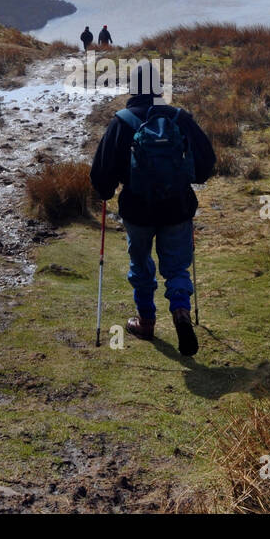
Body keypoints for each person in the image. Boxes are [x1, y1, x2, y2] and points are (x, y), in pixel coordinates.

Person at [90, 59, 215, 356]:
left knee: (141, 265)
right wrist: (188, 177)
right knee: (176, 266)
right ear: (158, 87)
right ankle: (181, 312)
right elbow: (206, 164)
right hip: (177, 208)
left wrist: (107, 191)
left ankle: (145, 321)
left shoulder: (122, 121)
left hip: (138, 210)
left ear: (132, 87)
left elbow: (100, 175)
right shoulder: (179, 118)